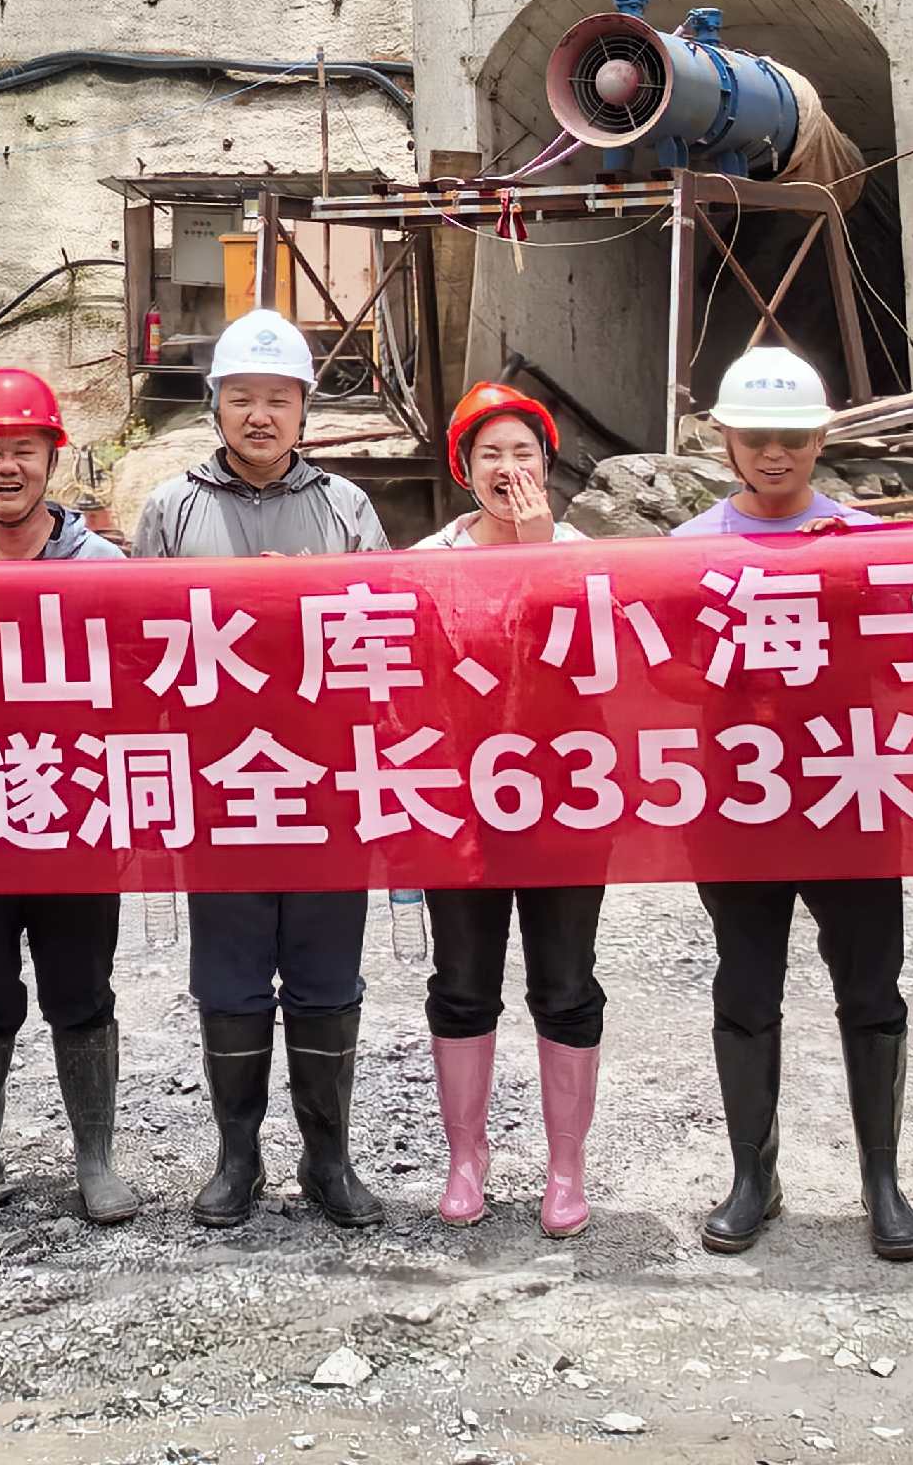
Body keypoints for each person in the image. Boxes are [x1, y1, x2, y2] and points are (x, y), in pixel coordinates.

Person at [131, 307, 391, 1231]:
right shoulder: (171, 509)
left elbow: (387, 642)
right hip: (220, 784)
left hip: (324, 783)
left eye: (278, 400)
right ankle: (237, 1159)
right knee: (232, 977)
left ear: (304, 410)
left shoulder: (346, 509)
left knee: (326, 976)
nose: (259, 416)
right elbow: (139, 650)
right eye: (241, 397)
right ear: (214, 406)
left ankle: (329, 1160)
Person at [666, 345, 913, 1260]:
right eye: (755, 438)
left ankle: (882, 1180)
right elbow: (664, 679)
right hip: (736, 801)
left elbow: (908, 667)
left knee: (869, 987)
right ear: (725, 440)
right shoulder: (687, 553)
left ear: (820, 440)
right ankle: (752, 1175)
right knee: (745, 982)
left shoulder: (861, 543)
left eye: (793, 438)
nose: (774, 455)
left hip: (851, 791)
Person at [0, 364, 139, 1226]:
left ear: (53, 457)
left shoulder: (105, 566)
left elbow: (136, 684)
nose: (9, 467)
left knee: (81, 983)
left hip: (76, 809)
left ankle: (96, 1155)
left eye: (25, 450)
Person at [405, 379, 602, 1236]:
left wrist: (537, 548)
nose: (509, 468)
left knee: (564, 982)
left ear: (549, 467)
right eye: (491, 454)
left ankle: (566, 1167)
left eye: (525, 453)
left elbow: (601, 668)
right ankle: (466, 1156)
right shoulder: (429, 559)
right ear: (463, 469)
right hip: (462, 806)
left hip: (564, 802)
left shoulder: (585, 553)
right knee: (461, 980)